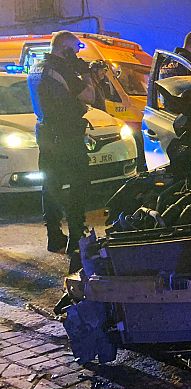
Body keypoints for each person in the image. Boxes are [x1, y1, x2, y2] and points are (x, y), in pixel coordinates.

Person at [27, 31, 95, 256]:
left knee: (51, 186)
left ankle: (54, 236)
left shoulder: (37, 67)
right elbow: (89, 96)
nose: (76, 54)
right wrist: (85, 74)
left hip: (45, 134)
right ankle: (76, 236)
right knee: (79, 183)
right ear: (65, 49)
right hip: (67, 136)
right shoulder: (61, 67)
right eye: (74, 50)